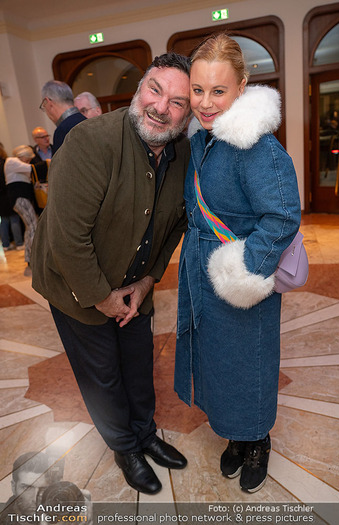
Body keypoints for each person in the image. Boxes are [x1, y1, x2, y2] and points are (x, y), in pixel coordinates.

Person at [31, 52, 192, 496]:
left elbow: (178, 221)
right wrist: (102, 297)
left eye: (177, 101)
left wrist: (146, 282)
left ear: (189, 112)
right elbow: (68, 239)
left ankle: (145, 435)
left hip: (134, 280)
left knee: (138, 366)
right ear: (140, 89)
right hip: (75, 284)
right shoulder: (89, 142)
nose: (161, 107)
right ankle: (125, 448)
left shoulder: (183, 155)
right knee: (103, 374)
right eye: (155, 90)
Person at [174, 34, 301, 493]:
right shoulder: (202, 137)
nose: (205, 103)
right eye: (198, 90)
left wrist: (247, 269)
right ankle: (234, 432)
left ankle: (257, 440)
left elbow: (284, 213)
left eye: (219, 91)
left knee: (250, 363)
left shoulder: (257, 146)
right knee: (217, 361)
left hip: (240, 275)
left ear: (242, 87)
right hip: (201, 272)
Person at [4, 145, 38, 275]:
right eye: (28, 158)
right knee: (33, 226)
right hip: (20, 199)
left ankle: (30, 258)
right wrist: (48, 163)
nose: (28, 161)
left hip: (21, 200)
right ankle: (33, 258)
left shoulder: (16, 164)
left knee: (30, 227)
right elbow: (31, 169)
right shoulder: (12, 161)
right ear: (22, 155)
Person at [39, 81, 86, 155]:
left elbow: (61, 166)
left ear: (48, 102)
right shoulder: (86, 120)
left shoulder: (63, 130)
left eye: (44, 106)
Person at [0, 143, 24, 251]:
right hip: (7, 194)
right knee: (14, 219)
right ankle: (19, 243)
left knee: (4, 221)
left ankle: (5, 244)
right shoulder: (5, 163)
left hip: (0, 197)